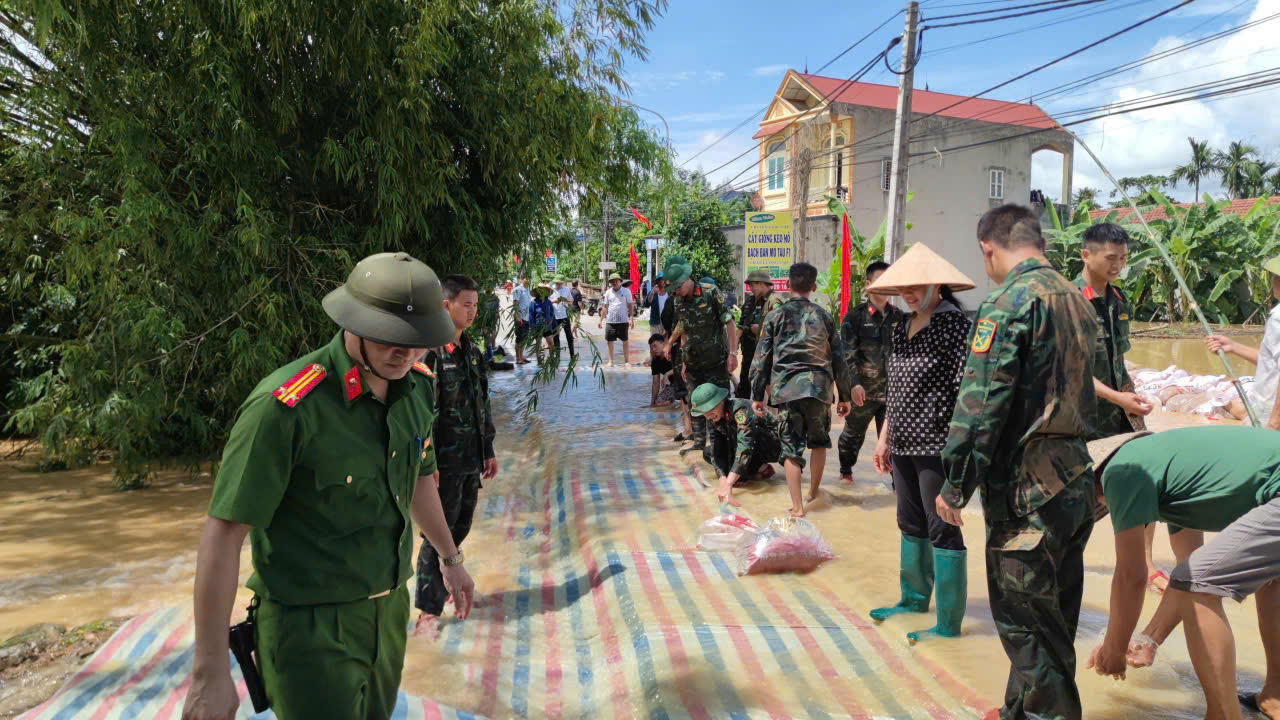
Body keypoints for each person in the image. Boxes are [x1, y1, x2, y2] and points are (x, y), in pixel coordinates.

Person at [180, 253, 474, 720]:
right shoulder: (285, 410)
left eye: (417, 342)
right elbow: (223, 535)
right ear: (353, 323)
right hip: (310, 629)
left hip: (389, 612)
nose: (405, 353)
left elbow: (418, 479)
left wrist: (450, 558)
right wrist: (209, 671)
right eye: (391, 339)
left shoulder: (415, 390)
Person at [936, 204, 1100, 720]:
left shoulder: (1008, 302)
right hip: (1074, 484)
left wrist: (955, 485)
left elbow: (982, 405)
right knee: (1051, 619)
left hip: (1027, 495)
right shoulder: (1079, 298)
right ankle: (1019, 710)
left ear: (989, 248)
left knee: (1025, 624)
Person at [1083, 427, 1280, 720]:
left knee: (1200, 584)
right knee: (1272, 581)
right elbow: (1187, 570)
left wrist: (1114, 648)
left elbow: (1132, 576)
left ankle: (1223, 716)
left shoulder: (1120, 472)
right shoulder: (1164, 472)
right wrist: (1148, 641)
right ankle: (1275, 697)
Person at [866, 245, 973, 644]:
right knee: (910, 524)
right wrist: (884, 437)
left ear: (937, 285)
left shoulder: (955, 325)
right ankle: (913, 600)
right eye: (903, 288)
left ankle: (948, 623)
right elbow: (895, 389)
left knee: (942, 527)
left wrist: (962, 452)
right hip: (904, 444)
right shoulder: (901, 325)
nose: (908, 294)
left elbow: (968, 392)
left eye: (916, 286)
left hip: (937, 445)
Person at [1075, 223, 1163, 594]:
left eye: (1123, 259)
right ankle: (1065, 569)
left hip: (1120, 415)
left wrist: (1133, 399)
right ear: (1086, 255)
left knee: (1146, 484)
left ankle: (1144, 565)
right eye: (1111, 258)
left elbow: (1117, 363)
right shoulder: (1070, 302)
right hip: (1079, 421)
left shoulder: (1119, 301)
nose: (1118, 265)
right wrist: (1117, 397)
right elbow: (1070, 370)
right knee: (1079, 504)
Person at [414, 275, 498, 636]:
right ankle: (427, 611)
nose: (473, 310)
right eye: (467, 304)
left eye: (476, 305)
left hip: (470, 459)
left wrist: (488, 449)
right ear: (445, 305)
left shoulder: (473, 353)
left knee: (460, 526)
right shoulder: (428, 354)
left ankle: (447, 583)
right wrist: (426, 464)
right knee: (437, 534)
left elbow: (484, 405)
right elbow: (420, 415)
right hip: (441, 464)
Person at [751, 262, 853, 517]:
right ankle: (813, 494)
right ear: (814, 286)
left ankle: (797, 508)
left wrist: (756, 396)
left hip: (787, 390)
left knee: (790, 449)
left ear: (789, 284)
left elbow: (760, 358)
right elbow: (839, 358)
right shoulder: (825, 316)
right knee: (819, 443)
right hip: (819, 389)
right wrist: (845, 396)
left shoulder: (775, 316)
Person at [665, 255, 739, 455]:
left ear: (687, 279)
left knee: (720, 403)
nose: (677, 293)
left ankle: (726, 443)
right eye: (674, 291)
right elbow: (683, 327)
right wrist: (683, 360)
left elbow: (729, 322)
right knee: (694, 402)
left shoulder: (710, 292)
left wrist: (733, 353)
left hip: (715, 361)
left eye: (678, 288)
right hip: (693, 362)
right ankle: (699, 442)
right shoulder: (678, 300)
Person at [836, 261, 902, 484]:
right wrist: (853, 384)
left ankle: (897, 485)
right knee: (852, 437)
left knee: (894, 441)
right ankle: (846, 473)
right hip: (863, 394)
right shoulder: (854, 318)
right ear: (868, 284)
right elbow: (847, 355)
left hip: (892, 394)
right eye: (880, 281)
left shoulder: (900, 318)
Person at [1207, 254, 1280, 430]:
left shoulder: (1278, 318)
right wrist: (1233, 347)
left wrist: (1275, 422)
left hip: (1271, 409)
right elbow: (1271, 363)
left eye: (1275, 276)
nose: (1273, 280)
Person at [689, 382, 782, 507]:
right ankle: (755, 469)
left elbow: (745, 446)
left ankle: (759, 466)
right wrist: (722, 479)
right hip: (742, 445)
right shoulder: (712, 417)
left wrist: (729, 483)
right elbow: (716, 449)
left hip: (770, 445)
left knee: (736, 469)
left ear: (720, 401)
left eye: (710, 409)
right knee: (708, 452)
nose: (707, 415)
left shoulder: (740, 409)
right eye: (703, 412)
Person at [737, 270, 784, 400]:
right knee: (746, 384)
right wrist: (733, 350)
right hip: (749, 351)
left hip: (767, 354)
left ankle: (774, 416)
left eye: (752, 285)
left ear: (762, 284)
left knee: (767, 386)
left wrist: (759, 330)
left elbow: (779, 330)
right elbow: (741, 324)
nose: (750, 288)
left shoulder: (774, 301)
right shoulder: (750, 301)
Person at [599, 272, 635, 366]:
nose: (614, 283)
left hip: (623, 320)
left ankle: (626, 361)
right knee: (609, 341)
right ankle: (611, 361)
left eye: (616, 281)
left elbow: (630, 305)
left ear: (620, 281)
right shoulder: (608, 293)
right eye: (612, 281)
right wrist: (600, 320)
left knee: (625, 341)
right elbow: (605, 307)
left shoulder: (626, 292)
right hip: (610, 321)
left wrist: (631, 318)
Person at [528, 282, 556, 363]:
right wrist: (532, 328)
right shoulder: (533, 303)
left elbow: (551, 313)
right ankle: (539, 359)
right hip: (537, 327)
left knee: (551, 342)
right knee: (538, 343)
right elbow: (531, 316)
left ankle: (551, 359)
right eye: (540, 290)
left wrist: (551, 322)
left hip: (547, 326)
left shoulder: (548, 302)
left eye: (543, 290)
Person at [644, 333, 674, 408]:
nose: (653, 349)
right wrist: (652, 403)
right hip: (673, 385)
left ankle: (681, 403)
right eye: (651, 347)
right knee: (659, 403)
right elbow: (655, 383)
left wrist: (667, 374)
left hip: (686, 381)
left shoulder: (673, 351)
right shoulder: (655, 361)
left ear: (663, 344)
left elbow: (683, 367)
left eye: (655, 346)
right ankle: (675, 403)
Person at [550, 276, 576, 358]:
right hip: (555, 316)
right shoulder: (551, 289)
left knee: (569, 336)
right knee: (556, 337)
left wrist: (565, 301)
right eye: (557, 283)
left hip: (564, 316)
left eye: (560, 283)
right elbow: (547, 302)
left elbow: (571, 301)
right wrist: (555, 300)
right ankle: (557, 357)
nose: (558, 284)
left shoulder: (566, 289)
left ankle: (572, 355)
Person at [511, 276, 533, 365]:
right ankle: (518, 358)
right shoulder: (518, 289)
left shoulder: (527, 289)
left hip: (527, 317)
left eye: (529, 278)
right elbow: (515, 303)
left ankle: (521, 356)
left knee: (524, 338)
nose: (528, 279)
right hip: (521, 318)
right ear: (521, 279)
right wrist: (517, 316)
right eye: (526, 278)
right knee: (519, 338)